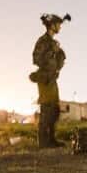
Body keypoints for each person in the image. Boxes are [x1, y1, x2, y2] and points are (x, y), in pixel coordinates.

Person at [30, 13, 70, 149]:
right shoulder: (43, 41)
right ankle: (43, 142)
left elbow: (58, 63)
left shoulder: (53, 43)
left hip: (52, 78)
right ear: (51, 26)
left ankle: (51, 140)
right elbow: (36, 59)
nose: (60, 27)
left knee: (55, 110)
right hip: (45, 79)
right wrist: (52, 51)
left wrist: (59, 55)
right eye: (58, 24)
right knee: (47, 109)